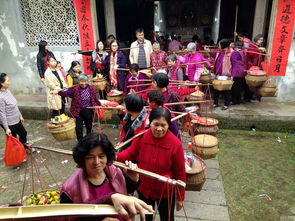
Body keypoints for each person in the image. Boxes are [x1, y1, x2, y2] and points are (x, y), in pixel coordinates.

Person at [117, 108, 186, 221]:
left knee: (167, 218)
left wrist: (180, 198)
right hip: (144, 188)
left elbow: (180, 172)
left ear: (168, 125)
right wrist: (113, 156)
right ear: (150, 122)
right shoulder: (142, 136)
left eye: (163, 125)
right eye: (156, 124)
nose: (159, 129)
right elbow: (129, 153)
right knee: (146, 218)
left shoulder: (175, 144)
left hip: (165, 191)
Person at [60, 132, 141, 220]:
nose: (97, 162)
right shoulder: (70, 189)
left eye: (101, 156)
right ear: (82, 158)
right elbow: (66, 218)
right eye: (90, 157)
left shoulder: (116, 173)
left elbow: (127, 191)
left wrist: (133, 179)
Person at [52, 74, 101, 141]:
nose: (84, 83)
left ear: (87, 81)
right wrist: (58, 92)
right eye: (81, 81)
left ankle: (89, 139)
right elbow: (66, 93)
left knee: (89, 126)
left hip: (88, 110)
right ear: (79, 81)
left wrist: (100, 104)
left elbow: (94, 98)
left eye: (85, 81)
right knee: (78, 128)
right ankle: (80, 141)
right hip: (78, 111)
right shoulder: (74, 88)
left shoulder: (91, 88)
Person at [0, 73, 29, 147]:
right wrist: (6, 128)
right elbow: (2, 114)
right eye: (8, 81)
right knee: (14, 140)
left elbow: (14, 104)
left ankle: (23, 148)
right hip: (9, 122)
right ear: (2, 83)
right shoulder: (0, 97)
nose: (9, 82)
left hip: (16, 119)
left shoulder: (7, 91)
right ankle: (16, 156)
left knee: (23, 133)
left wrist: (20, 115)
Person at [209, 39, 233, 110]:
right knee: (216, 89)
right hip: (218, 74)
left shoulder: (231, 53)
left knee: (226, 90)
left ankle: (226, 104)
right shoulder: (219, 52)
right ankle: (215, 103)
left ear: (224, 45)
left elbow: (235, 65)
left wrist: (233, 75)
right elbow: (213, 55)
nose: (218, 46)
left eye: (220, 44)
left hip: (226, 74)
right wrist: (208, 51)